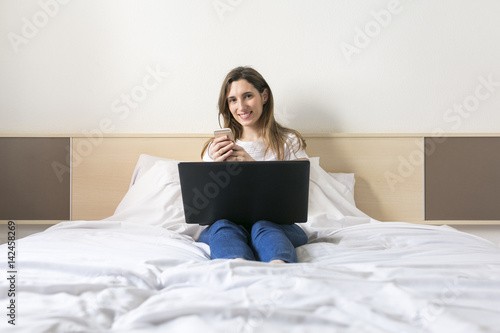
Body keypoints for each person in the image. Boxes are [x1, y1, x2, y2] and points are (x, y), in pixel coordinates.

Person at [199, 66, 309, 263]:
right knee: (223, 227)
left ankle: (279, 267)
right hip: (229, 225)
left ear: (264, 96)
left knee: (263, 226)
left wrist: (253, 166)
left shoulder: (288, 141)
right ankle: (237, 267)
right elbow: (203, 202)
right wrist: (213, 166)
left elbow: (298, 196)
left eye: (247, 96)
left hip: (276, 226)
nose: (240, 107)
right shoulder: (217, 147)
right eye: (232, 100)